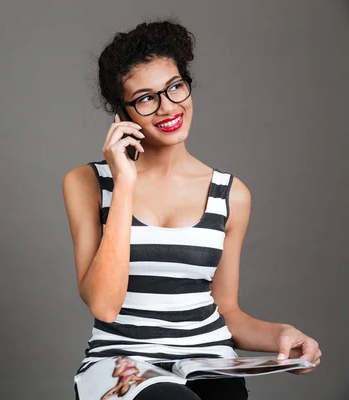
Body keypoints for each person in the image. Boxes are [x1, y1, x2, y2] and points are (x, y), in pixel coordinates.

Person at [61, 19, 322, 400]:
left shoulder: (231, 195)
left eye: (175, 87)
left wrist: (282, 334)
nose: (168, 106)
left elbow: (228, 312)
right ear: (122, 113)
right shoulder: (87, 183)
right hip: (122, 364)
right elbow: (104, 304)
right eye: (146, 97)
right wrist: (125, 183)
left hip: (209, 362)